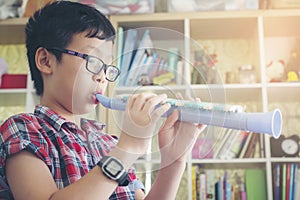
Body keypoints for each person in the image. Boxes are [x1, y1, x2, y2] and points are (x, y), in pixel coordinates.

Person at [0, 1, 206, 199]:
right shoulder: (23, 129)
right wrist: (129, 147)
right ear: (45, 61)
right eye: (92, 61)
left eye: (108, 67)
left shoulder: (109, 144)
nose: (103, 77)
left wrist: (174, 160)